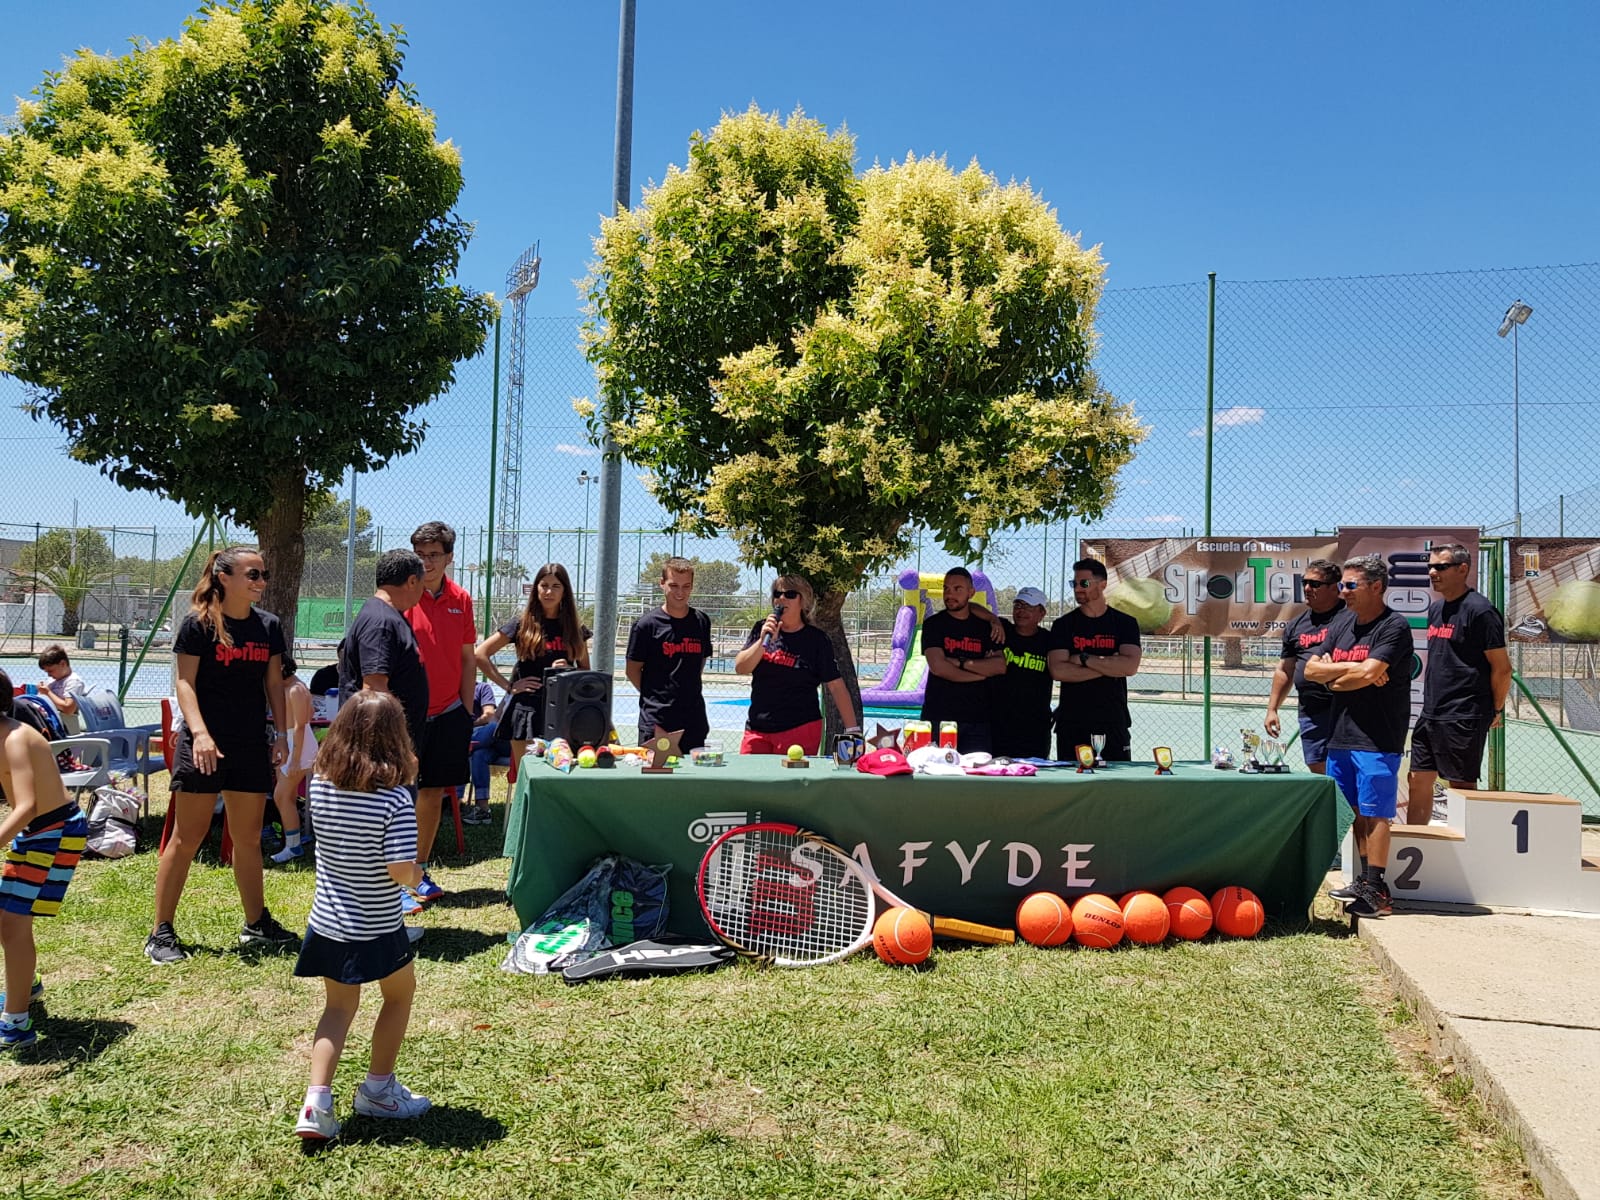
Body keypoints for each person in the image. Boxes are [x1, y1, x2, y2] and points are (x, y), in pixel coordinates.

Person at [292, 690, 430, 1142]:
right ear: (397, 736)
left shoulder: (319, 783)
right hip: (377, 925)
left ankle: (316, 1102)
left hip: (327, 921)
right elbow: (399, 869)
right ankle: (378, 1090)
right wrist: (418, 877)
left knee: (337, 1008)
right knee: (399, 996)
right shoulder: (394, 799)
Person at [146, 546, 295, 965]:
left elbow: (274, 684)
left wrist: (281, 735)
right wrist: (199, 734)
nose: (261, 582)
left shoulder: (269, 626)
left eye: (263, 574)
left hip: (249, 744)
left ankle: (256, 923)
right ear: (224, 577)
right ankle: (160, 932)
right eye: (252, 574)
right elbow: (184, 684)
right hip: (204, 744)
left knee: (248, 838)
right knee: (187, 837)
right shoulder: (198, 625)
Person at [1304, 555, 1414, 918]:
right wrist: (1351, 669)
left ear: (1376, 587)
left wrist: (1339, 676)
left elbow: (1366, 675)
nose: (1343, 592)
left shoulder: (1394, 626)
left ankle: (1378, 890)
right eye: (1341, 585)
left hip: (1377, 737)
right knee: (1355, 813)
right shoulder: (1342, 623)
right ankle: (1364, 880)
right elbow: (1311, 670)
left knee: (1376, 813)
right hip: (1340, 734)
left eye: (1351, 585)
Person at [0, 668, 89, 1049]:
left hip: (54, 830)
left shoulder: (15, 739)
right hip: (38, 830)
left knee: (11, 922)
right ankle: (25, 986)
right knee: (9, 920)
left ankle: (16, 1025)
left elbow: (27, 805)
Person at [1405, 544, 1511, 825]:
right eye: (1430, 566)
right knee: (1417, 778)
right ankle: (1419, 839)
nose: (1432, 572)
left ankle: (1468, 845)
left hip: (1464, 712)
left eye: (1440, 567)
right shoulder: (1436, 609)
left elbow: (1502, 669)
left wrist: (1495, 709)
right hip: (1431, 711)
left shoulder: (1481, 610)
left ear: (1463, 569)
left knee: (1461, 786)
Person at [404, 523, 477, 904]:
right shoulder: (401, 594)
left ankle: (418, 870)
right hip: (404, 715)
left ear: (449, 557)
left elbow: (468, 658)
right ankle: (391, 876)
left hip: (449, 711)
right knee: (398, 794)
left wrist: (466, 708)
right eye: (420, 554)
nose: (426, 562)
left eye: (433, 555)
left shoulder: (461, 598)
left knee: (432, 792)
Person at [474, 562, 591, 778]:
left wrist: (569, 671)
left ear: (564, 591)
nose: (549, 592)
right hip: (526, 711)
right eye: (544, 585)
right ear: (536, 588)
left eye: (556, 586)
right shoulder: (522, 624)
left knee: (562, 776)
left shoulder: (575, 629)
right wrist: (509, 686)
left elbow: (585, 672)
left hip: (563, 711)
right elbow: (480, 654)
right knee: (528, 777)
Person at [735, 574, 860, 755]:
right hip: (757, 729)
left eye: (790, 594)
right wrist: (762, 641)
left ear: (803, 601)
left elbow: (836, 686)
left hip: (800, 729)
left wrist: (852, 730)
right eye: (777, 594)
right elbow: (741, 668)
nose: (781, 598)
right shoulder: (762, 629)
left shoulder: (816, 640)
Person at [1048, 559, 1143, 762]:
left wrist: (1083, 658)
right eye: (1074, 583)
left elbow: (1130, 666)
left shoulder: (1125, 623)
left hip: (1113, 721)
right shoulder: (1063, 625)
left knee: (1116, 781)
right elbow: (1058, 670)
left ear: (1103, 584)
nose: (1077, 588)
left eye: (1084, 583)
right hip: (1072, 723)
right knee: (1072, 779)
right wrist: (1110, 666)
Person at [1264, 559, 1345, 774]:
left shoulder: (1351, 618)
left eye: (1315, 584)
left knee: (1346, 770)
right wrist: (1272, 709)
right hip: (1311, 710)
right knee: (1317, 767)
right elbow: (1285, 669)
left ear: (1334, 587)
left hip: (1346, 709)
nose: (1307, 588)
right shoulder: (1296, 625)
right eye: (1304, 582)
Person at [625, 557, 712, 751]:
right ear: (662, 583)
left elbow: (699, 663)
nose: (680, 592)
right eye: (673, 586)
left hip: (693, 721)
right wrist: (656, 697)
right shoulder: (646, 625)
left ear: (692, 586)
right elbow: (632, 670)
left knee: (693, 770)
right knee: (656, 771)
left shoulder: (702, 622)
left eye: (686, 586)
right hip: (657, 722)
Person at [918, 567, 1005, 754]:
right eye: (946, 588)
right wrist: (979, 675)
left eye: (957, 589)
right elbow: (939, 667)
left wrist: (961, 662)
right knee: (937, 769)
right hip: (939, 717)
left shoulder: (986, 627)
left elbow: (999, 666)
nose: (950, 594)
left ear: (971, 593)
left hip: (977, 719)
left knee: (977, 770)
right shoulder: (933, 624)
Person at [991, 587, 1055, 760]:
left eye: (1028, 607)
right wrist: (992, 619)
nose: (1021, 611)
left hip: (1035, 727)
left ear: (1042, 613)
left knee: (1035, 773)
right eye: (1018, 605)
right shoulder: (1002, 630)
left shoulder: (1049, 640)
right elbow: (972, 608)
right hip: (1000, 724)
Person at [269, 654, 317, 864]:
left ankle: (293, 846)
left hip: (298, 745)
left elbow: (300, 726)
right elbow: (311, 711)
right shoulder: (291, 687)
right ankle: (291, 840)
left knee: (281, 796)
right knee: (285, 796)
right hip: (289, 741)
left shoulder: (296, 689)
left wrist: (296, 759)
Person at [463, 681, 505, 824]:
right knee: (479, 754)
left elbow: (490, 715)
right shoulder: (452, 689)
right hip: (483, 744)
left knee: (493, 727)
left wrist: (468, 726)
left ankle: (460, 745)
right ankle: (483, 809)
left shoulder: (482, 688)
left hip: (503, 739)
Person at [35, 645, 87, 735]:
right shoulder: (52, 681)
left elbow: (68, 709)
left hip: (62, 725)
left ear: (63, 664)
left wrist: (48, 693)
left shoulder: (74, 681)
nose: (49, 675)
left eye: (51, 671)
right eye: (46, 672)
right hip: (47, 719)